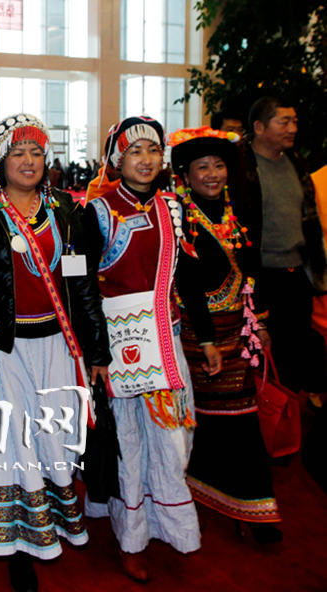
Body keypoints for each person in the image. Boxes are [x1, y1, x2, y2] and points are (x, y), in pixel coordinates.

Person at [0, 114, 111, 591]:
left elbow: (84, 285)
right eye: (18, 153)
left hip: (57, 346)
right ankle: (17, 551)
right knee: (9, 442)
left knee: (53, 439)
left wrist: (97, 351)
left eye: (36, 153)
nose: (29, 162)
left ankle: (45, 527)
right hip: (3, 353)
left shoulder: (69, 212)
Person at [81, 116, 200, 582]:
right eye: (135, 152)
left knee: (173, 438)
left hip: (166, 341)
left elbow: (185, 277)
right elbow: (84, 287)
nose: (146, 160)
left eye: (153, 150)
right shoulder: (98, 211)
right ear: (117, 159)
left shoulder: (174, 207)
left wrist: (205, 338)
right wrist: (96, 354)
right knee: (128, 443)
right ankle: (132, 537)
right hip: (122, 346)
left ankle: (170, 523)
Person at [169, 125, 282, 543]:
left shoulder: (237, 211)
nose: (213, 174)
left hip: (241, 328)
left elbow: (254, 272)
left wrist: (262, 322)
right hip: (202, 335)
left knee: (236, 416)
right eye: (203, 167)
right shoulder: (183, 220)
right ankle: (249, 502)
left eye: (219, 165)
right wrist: (208, 341)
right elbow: (188, 285)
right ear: (186, 174)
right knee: (226, 418)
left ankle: (228, 494)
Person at [237, 96, 327, 403]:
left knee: (297, 346)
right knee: (263, 350)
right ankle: (267, 411)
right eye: (284, 121)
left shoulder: (296, 161)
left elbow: (310, 218)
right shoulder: (240, 165)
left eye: (295, 121)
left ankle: (292, 413)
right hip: (259, 275)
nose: (292, 128)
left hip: (296, 271)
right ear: (260, 127)